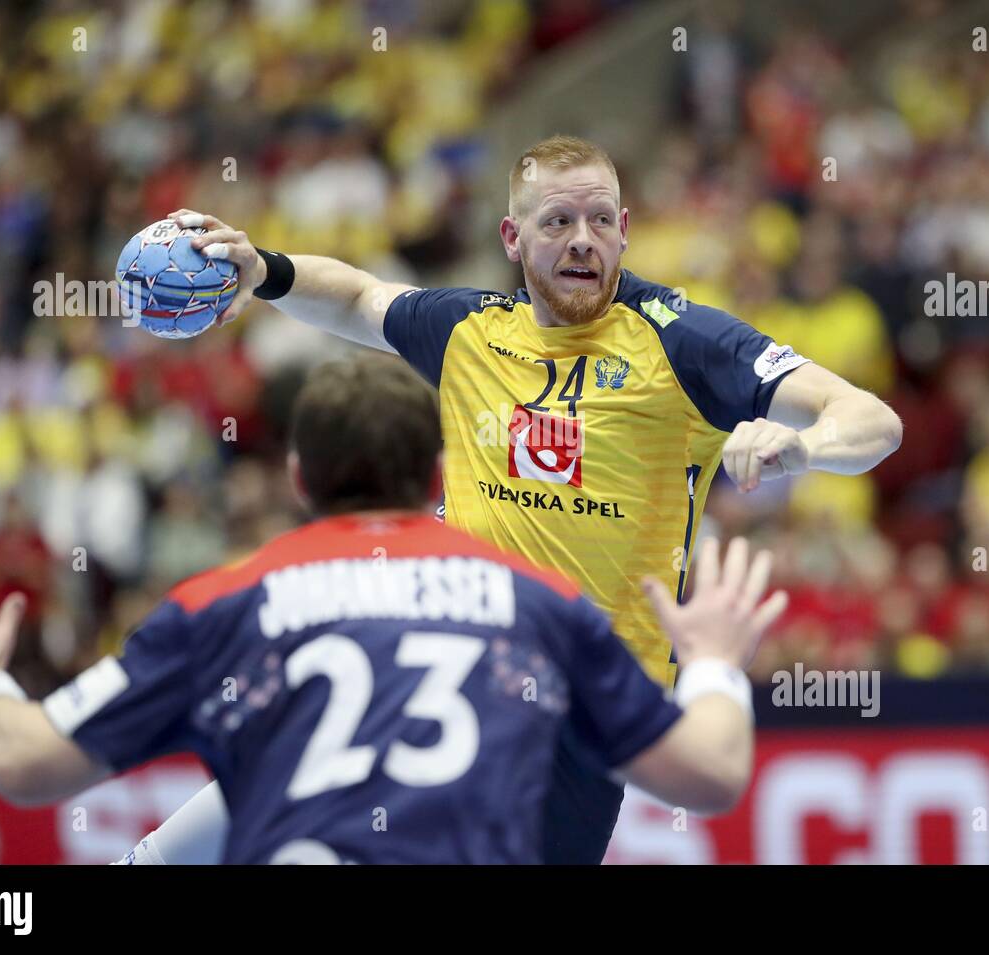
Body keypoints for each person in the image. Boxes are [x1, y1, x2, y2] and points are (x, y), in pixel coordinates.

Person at [150, 134, 902, 864]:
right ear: (513, 236)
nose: (583, 240)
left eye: (601, 220)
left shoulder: (685, 343)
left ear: (625, 231)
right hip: (441, 665)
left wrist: (801, 445)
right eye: (559, 221)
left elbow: (873, 420)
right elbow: (358, 297)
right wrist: (264, 272)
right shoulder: (473, 331)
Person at [0, 353, 788, 865]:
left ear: (297, 478)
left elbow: (19, 759)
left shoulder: (226, 604)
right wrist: (710, 658)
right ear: (438, 479)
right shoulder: (543, 607)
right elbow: (709, 775)